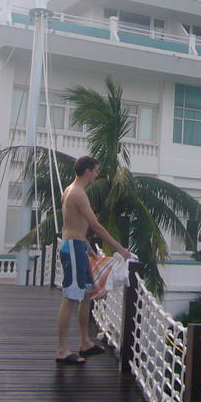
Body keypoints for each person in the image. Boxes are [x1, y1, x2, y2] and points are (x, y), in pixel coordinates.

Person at [56, 155, 131, 364]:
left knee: (87, 293)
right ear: (88, 170)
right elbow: (95, 225)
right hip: (72, 247)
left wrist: (88, 247)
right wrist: (120, 248)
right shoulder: (77, 193)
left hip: (78, 246)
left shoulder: (70, 191)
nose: (97, 174)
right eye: (96, 170)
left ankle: (84, 342)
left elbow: (73, 224)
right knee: (70, 296)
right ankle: (62, 349)